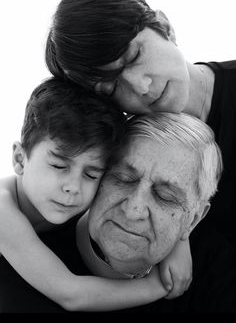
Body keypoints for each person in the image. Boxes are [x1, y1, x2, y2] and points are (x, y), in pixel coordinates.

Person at [45, 0, 236, 252]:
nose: (141, 87)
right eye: (112, 87)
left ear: (164, 26)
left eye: (134, 55)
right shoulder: (125, 151)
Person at [1, 113, 236, 314]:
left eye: (165, 196)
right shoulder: (22, 269)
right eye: (123, 179)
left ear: (193, 220)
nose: (133, 210)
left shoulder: (217, 269)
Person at [0, 77, 169, 313]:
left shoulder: (83, 205)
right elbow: (70, 293)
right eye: (59, 166)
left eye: (91, 175)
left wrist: (178, 245)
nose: (74, 187)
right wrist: (158, 286)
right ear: (20, 159)